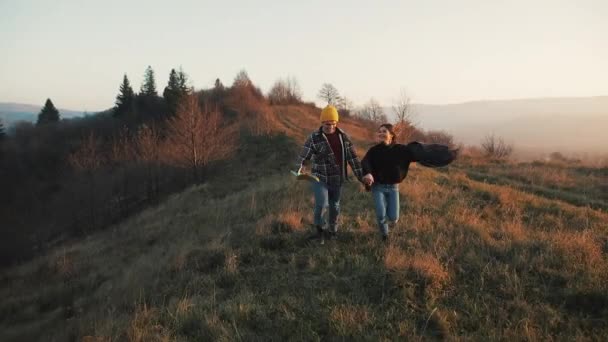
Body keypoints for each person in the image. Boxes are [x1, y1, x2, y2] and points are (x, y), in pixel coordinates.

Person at [361, 124, 458, 241]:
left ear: (391, 135)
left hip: (393, 188)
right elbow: (365, 162)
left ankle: (389, 224)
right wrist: (368, 173)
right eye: (379, 131)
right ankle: (384, 234)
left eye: (384, 131)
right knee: (381, 214)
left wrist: (444, 154)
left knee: (393, 217)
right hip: (378, 187)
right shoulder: (374, 151)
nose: (381, 133)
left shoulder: (401, 150)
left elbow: (422, 151)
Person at [296, 105, 365, 242]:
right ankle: (320, 231)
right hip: (319, 177)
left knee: (335, 206)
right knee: (322, 204)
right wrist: (300, 168)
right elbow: (304, 155)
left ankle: (333, 231)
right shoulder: (314, 137)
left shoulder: (343, 137)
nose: (330, 126)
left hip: (337, 179)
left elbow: (353, 158)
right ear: (322, 123)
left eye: (333, 123)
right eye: (327, 124)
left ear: (336, 122)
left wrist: (362, 177)